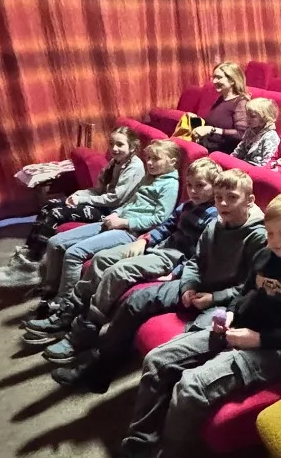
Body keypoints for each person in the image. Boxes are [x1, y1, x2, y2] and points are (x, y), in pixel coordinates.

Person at [70, 192, 281, 458]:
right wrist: (232, 313)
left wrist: (258, 339)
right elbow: (247, 292)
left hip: (276, 351)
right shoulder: (266, 253)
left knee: (191, 387)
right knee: (158, 360)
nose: (274, 240)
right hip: (239, 328)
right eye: (269, 232)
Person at [49, 167, 268, 391]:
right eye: (219, 197)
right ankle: (100, 367)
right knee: (136, 301)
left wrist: (214, 298)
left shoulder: (258, 237)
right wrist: (188, 285)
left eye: (232, 198)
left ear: (249, 200)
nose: (223, 204)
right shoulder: (215, 225)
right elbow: (195, 261)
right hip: (198, 286)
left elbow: (250, 288)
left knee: (192, 335)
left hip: (224, 302)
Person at [40, 157, 221, 364]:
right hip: (157, 248)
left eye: (200, 185)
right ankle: (70, 311)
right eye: (189, 185)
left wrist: (176, 272)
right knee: (101, 259)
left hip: (172, 258)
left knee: (117, 272)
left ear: (215, 186)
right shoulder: (187, 206)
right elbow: (166, 226)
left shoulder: (213, 217)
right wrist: (145, 240)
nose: (193, 190)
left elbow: (200, 255)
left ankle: (83, 332)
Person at [22, 140, 181, 342]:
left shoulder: (170, 184)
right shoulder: (150, 177)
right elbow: (131, 202)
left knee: (74, 254)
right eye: (148, 158)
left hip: (131, 231)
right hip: (116, 221)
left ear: (172, 161)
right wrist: (116, 213)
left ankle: (62, 306)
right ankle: (50, 293)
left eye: (156, 159)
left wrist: (124, 222)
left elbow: (160, 219)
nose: (149, 162)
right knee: (56, 242)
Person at [0, 126, 144, 290]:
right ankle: (28, 254)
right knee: (49, 205)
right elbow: (98, 190)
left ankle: (31, 267)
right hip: (100, 203)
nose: (114, 148)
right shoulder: (115, 163)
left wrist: (83, 199)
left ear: (132, 147)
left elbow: (115, 199)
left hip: (112, 211)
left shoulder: (135, 167)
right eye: (112, 143)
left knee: (56, 214)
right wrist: (77, 195)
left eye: (120, 144)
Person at [192, 61, 249, 153]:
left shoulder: (241, 102)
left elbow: (242, 134)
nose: (214, 81)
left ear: (232, 80)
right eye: (214, 77)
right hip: (208, 146)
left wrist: (213, 130)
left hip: (222, 153)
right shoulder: (221, 99)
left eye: (219, 77)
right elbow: (216, 122)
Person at [232, 97, 281, 166]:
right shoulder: (250, 130)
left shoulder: (271, 136)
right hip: (243, 166)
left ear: (264, 118)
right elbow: (239, 151)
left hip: (256, 168)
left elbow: (267, 163)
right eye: (247, 115)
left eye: (252, 116)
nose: (248, 119)